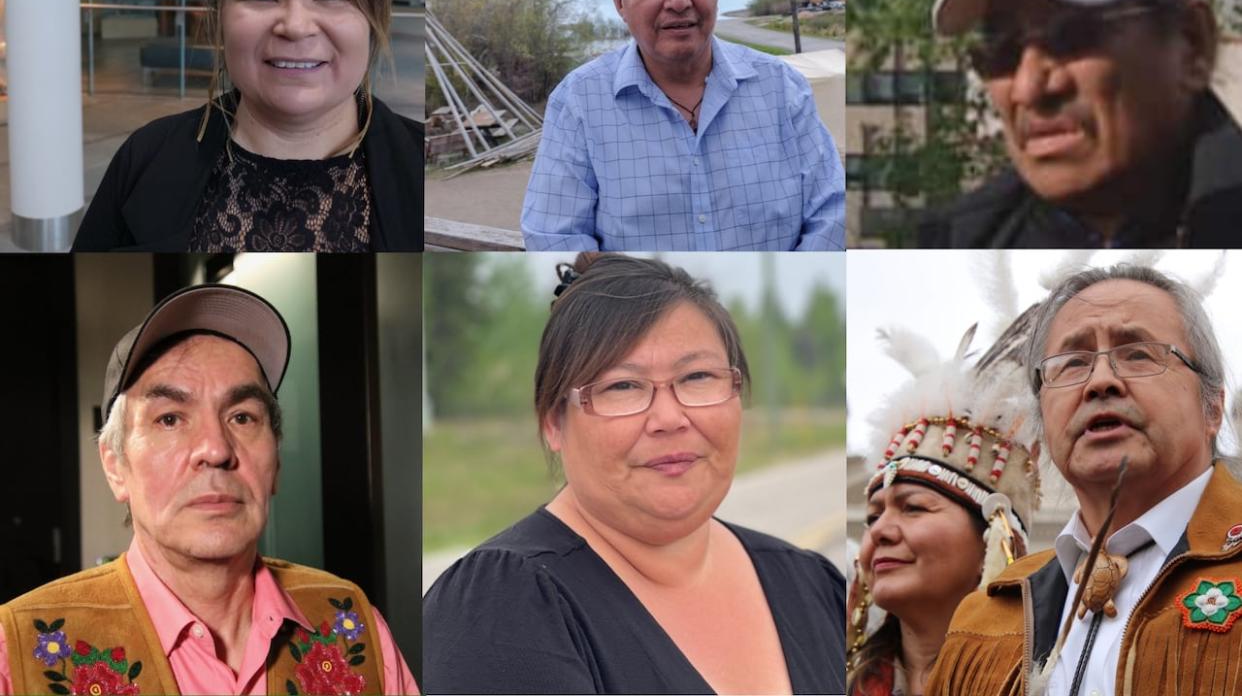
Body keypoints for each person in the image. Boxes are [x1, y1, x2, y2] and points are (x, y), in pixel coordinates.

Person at [423, 253, 846, 694]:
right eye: (622, 386)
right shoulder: (504, 607)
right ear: (553, 422)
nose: (670, 417)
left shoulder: (811, 583)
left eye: (698, 376)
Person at [0, 284, 417, 694]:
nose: (216, 449)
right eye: (170, 419)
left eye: (242, 417)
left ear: (275, 464)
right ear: (115, 467)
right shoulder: (19, 649)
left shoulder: (351, 624)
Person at [927, 264, 1242, 696]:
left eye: (1138, 354)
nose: (1101, 382)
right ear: (1041, 416)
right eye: (1072, 363)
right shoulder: (982, 620)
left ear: (1213, 407)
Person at [73, 0, 422, 252]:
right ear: (220, 13)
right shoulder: (145, 158)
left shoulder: (420, 162)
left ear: (373, 18)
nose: (295, 25)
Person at [919, 0, 1242, 248]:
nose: (1029, 88)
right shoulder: (961, 249)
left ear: (1192, 45)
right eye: (1002, 51)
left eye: (1073, 35)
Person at [520, 0, 846, 252]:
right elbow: (555, 238)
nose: (678, 0)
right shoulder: (579, 102)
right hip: (640, 308)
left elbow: (833, 212)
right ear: (619, 0)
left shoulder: (783, 88)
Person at [848, 310, 1041, 696]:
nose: (880, 532)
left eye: (913, 507)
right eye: (872, 516)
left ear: (994, 538)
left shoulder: (1059, 680)